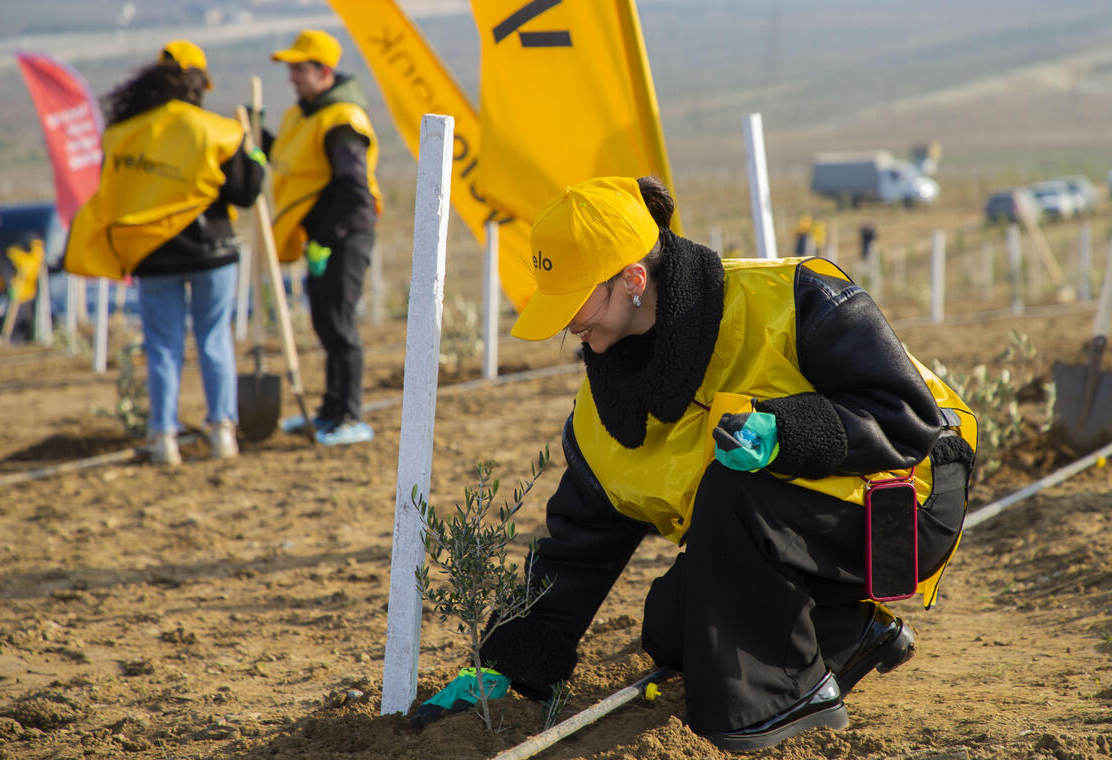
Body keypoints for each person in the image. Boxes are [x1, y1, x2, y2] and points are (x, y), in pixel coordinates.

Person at [411, 177, 978, 751]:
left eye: (575, 301)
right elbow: (578, 545)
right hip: (790, 524)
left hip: (907, 496)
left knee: (731, 493)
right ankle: (852, 632)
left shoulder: (788, 296)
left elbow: (906, 416)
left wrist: (786, 431)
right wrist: (505, 663)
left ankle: (779, 707)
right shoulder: (604, 411)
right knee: (673, 626)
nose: (565, 324)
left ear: (633, 280)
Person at [65, 40, 265, 465]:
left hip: (152, 256)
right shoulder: (217, 130)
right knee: (214, 340)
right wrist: (255, 153)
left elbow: (113, 195)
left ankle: (163, 439)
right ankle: (222, 433)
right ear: (199, 84)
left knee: (162, 347)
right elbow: (245, 192)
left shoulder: (123, 135)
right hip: (213, 252)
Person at [265, 29, 383, 446]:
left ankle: (349, 417)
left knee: (340, 324)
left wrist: (327, 239)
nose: (292, 77)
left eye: (300, 68)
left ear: (325, 71)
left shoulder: (342, 121)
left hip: (345, 236)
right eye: (291, 68)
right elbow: (298, 163)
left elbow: (354, 193)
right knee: (325, 322)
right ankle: (330, 411)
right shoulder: (306, 115)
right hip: (321, 236)